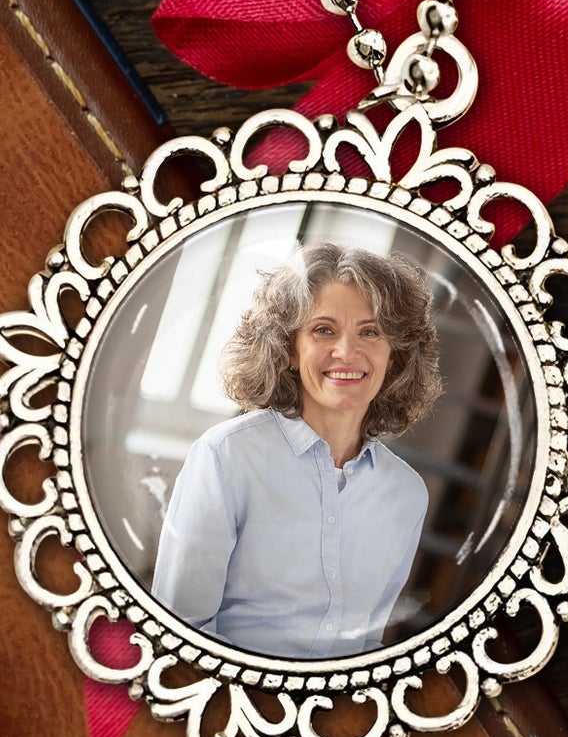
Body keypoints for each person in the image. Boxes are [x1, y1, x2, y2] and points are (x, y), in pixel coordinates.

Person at [151, 242, 441, 659]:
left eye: (370, 331)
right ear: (289, 348)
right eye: (324, 330)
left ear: (394, 356)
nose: (347, 352)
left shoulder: (407, 494)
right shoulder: (226, 457)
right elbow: (182, 632)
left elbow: (365, 645)